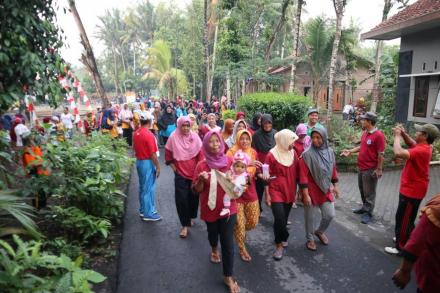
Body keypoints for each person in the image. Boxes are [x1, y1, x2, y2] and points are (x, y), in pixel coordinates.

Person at [192, 131, 240, 293]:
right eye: (211, 142)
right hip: (210, 208)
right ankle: (213, 248)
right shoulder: (202, 165)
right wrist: (201, 180)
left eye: (217, 141)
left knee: (227, 243)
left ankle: (228, 276)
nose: (215, 145)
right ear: (205, 144)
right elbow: (196, 190)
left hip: (228, 208)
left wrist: (235, 180)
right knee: (213, 233)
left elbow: (240, 182)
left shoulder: (229, 161)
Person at [385, 123, 440, 255]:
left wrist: (397, 136)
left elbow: (398, 152)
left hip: (412, 191)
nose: (416, 133)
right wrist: (403, 134)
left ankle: (401, 246)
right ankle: (402, 237)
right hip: (411, 189)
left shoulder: (422, 150)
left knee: (404, 219)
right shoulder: (424, 146)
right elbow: (412, 143)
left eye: (419, 131)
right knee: (404, 217)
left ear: (425, 136)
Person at [340, 112, 385, 224]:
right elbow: (362, 146)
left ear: (370, 122)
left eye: (363, 120)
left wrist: (379, 169)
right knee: (362, 190)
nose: (361, 121)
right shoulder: (365, 133)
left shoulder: (379, 135)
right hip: (362, 167)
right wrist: (350, 151)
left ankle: (368, 213)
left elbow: (381, 154)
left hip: (370, 169)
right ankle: (365, 208)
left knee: (369, 193)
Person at [300, 127, 340, 251]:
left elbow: (333, 169)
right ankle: (310, 239)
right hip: (311, 190)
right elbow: (303, 176)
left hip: (325, 189)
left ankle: (319, 231)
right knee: (310, 217)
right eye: (313, 137)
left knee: (330, 214)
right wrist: (305, 195)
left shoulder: (330, 152)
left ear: (324, 137)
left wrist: (335, 186)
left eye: (318, 137)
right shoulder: (306, 155)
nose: (315, 140)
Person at [392, 193, 440, 293]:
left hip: (433, 280)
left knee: (405, 220)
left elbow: (417, 240)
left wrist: (404, 271)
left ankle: (400, 244)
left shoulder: (436, 209)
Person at [165, 116, 204, 238]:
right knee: (181, 200)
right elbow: (168, 155)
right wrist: (174, 169)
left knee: (193, 198)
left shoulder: (195, 137)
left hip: (194, 174)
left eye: (188, 125)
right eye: (183, 125)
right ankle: (184, 225)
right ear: (179, 125)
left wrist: (199, 172)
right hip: (180, 174)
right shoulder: (173, 137)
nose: (186, 128)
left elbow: (201, 156)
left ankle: (190, 217)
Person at [264, 129, 299, 260]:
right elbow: (266, 176)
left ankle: (282, 235)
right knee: (279, 217)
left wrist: (299, 191)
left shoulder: (293, 153)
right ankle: (279, 244)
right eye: (291, 142)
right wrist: (267, 194)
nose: (293, 145)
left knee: (283, 218)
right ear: (283, 140)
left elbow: (298, 173)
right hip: (275, 190)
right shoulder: (271, 155)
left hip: (290, 190)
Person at [226, 129, 260, 262]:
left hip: (250, 192)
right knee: (239, 224)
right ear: (237, 139)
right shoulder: (231, 152)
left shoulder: (253, 152)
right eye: (242, 138)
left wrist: (251, 172)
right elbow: (228, 170)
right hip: (236, 194)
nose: (244, 141)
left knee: (252, 222)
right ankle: (241, 247)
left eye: (247, 138)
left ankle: (239, 233)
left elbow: (254, 170)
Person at [133, 112, 161, 221]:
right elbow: (153, 154)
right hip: (147, 162)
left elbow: (133, 148)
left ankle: (143, 209)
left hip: (139, 161)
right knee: (148, 188)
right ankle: (148, 214)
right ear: (150, 122)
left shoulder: (136, 133)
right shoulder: (149, 135)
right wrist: (158, 166)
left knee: (142, 187)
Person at [252, 114, 276, 212]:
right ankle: (258, 210)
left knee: (274, 190)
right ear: (261, 123)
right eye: (265, 123)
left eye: (269, 123)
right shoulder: (256, 135)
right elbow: (254, 152)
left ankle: (278, 214)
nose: (267, 125)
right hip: (261, 164)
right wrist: (257, 170)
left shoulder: (275, 133)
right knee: (259, 190)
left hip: (273, 164)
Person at [22, 133, 49, 209]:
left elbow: (40, 157)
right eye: (31, 140)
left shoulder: (35, 148)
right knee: (36, 190)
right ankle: (37, 207)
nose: (33, 141)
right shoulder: (27, 152)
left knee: (41, 189)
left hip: (40, 171)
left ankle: (42, 205)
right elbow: (31, 164)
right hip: (34, 172)